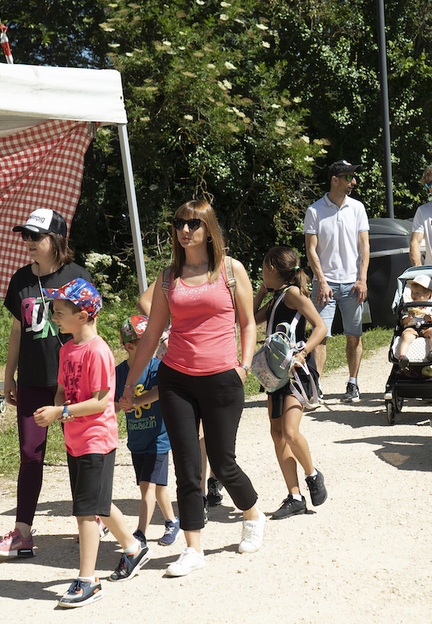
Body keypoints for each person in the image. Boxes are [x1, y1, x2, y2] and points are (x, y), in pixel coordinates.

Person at [118, 199, 264, 578]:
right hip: (176, 378)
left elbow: (248, 324)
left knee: (223, 462)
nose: (185, 230)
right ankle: (193, 546)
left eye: (194, 224)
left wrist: (244, 366)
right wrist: (130, 384)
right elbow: (151, 334)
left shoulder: (230, 270)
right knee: (186, 465)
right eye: (180, 223)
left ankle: (252, 514)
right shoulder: (169, 277)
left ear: (208, 229)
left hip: (221, 378)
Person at [33, 279, 151, 607]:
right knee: (98, 502)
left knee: (85, 511)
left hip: (97, 439)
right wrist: (57, 411)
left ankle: (88, 580)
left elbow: (102, 402)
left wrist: (62, 411)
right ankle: (134, 547)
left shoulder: (97, 351)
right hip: (75, 438)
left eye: (60, 311)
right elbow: (61, 388)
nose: (54, 316)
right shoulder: (66, 349)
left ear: (83, 316)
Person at [0, 208, 93, 558]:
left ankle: (89, 520)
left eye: (36, 236)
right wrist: (8, 376)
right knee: (30, 455)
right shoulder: (20, 279)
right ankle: (22, 532)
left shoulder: (77, 275)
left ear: (57, 239)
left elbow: (89, 330)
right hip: (31, 381)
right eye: (25, 236)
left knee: (79, 452)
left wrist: (84, 378)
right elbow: (17, 329)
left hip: (72, 380)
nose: (28, 242)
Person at [252, 246, 329, 520]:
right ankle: (295, 496)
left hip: (295, 372)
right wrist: (262, 291)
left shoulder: (294, 295)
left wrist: (303, 352)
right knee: (276, 434)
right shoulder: (276, 299)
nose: (262, 273)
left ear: (272, 268)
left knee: (290, 431)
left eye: (263, 269)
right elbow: (249, 320)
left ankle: (312, 474)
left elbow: (321, 327)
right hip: (275, 374)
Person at [137, 281, 221, 508]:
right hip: (180, 353)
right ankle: (201, 491)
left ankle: (213, 478)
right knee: (197, 431)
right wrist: (166, 332)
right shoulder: (172, 273)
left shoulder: (223, 271)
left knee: (213, 427)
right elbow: (143, 301)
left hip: (213, 354)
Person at [304, 160, 370, 403]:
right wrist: (321, 281)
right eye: (348, 177)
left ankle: (352, 383)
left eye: (353, 177)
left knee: (355, 335)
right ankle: (316, 384)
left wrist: (362, 279)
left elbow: (365, 247)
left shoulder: (358, 208)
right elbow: (311, 250)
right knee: (320, 336)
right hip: (325, 285)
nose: (354, 182)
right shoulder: (314, 211)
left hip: (354, 284)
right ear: (334, 179)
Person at [115, 315, 179, 547]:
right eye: (145, 341)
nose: (152, 344)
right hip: (137, 441)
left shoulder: (156, 366)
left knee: (147, 487)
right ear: (129, 346)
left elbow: (160, 390)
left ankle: (140, 533)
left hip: (157, 439)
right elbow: (113, 404)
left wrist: (135, 402)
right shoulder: (120, 372)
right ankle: (173, 522)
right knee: (158, 487)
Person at [395, 274, 432, 369]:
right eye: (412, 292)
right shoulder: (408, 307)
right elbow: (403, 322)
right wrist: (408, 318)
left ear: (428, 294)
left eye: (417, 293)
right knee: (407, 336)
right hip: (412, 328)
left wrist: (431, 318)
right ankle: (402, 357)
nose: (413, 295)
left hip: (428, 327)